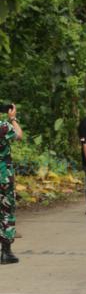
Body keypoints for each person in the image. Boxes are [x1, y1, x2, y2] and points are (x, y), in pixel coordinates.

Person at [0, 104, 23, 264]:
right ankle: (6, 251)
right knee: (6, 210)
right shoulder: (3, 126)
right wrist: (12, 118)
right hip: (3, 174)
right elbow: (19, 135)